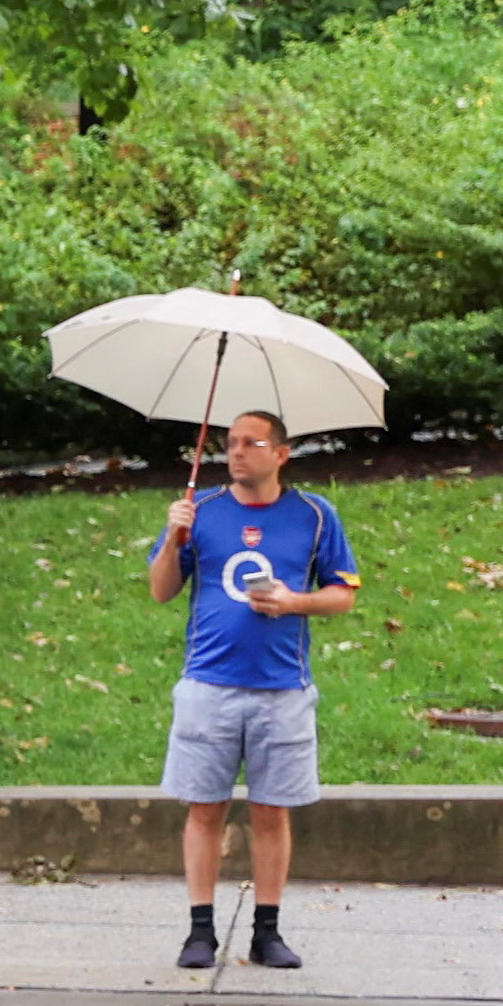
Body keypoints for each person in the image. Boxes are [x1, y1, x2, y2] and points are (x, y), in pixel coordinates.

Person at [148, 408, 357, 972]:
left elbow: (344, 593)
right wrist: (172, 540)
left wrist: (294, 602)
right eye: (230, 443)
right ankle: (199, 932)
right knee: (204, 810)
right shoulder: (203, 512)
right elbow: (163, 591)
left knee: (272, 813)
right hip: (208, 686)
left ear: (281, 453)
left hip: (283, 689)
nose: (236, 452)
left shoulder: (315, 515)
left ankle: (267, 932)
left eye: (251, 442)